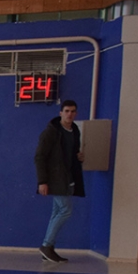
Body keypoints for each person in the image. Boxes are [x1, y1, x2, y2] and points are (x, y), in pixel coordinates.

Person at [35, 99, 85, 263]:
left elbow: (71, 152)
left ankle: (48, 247)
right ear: (61, 113)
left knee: (57, 211)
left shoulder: (74, 131)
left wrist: (79, 157)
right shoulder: (51, 133)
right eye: (67, 111)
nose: (70, 114)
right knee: (65, 210)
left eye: (73, 111)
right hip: (55, 178)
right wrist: (42, 181)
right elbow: (40, 157)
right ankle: (46, 245)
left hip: (67, 177)